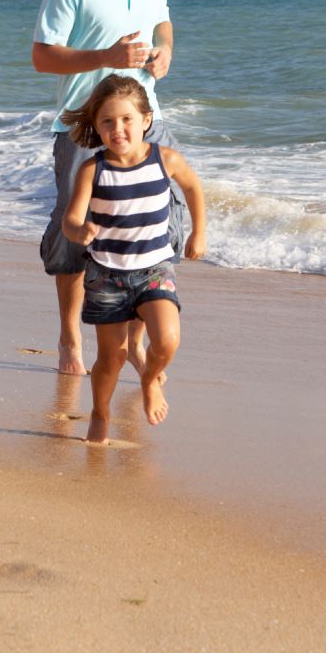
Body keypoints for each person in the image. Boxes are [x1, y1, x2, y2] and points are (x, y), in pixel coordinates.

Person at [31, 0, 178, 377]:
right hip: (83, 125)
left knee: (155, 226)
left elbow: (163, 23)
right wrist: (107, 57)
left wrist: (166, 52)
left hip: (146, 120)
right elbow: (42, 57)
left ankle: (132, 339)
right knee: (76, 235)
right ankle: (71, 336)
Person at [60, 75, 206, 444]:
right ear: (96, 126)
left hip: (154, 269)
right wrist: (80, 231)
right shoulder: (93, 169)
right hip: (106, 274)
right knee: (112, 357)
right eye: (107, 121)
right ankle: (100, 413)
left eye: (127, 119)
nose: (118, 129)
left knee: (168, 340)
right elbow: (71, 219)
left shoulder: (165, 160)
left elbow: (192, 186)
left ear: (146, 120)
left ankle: (149, 379)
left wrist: (198, 231)